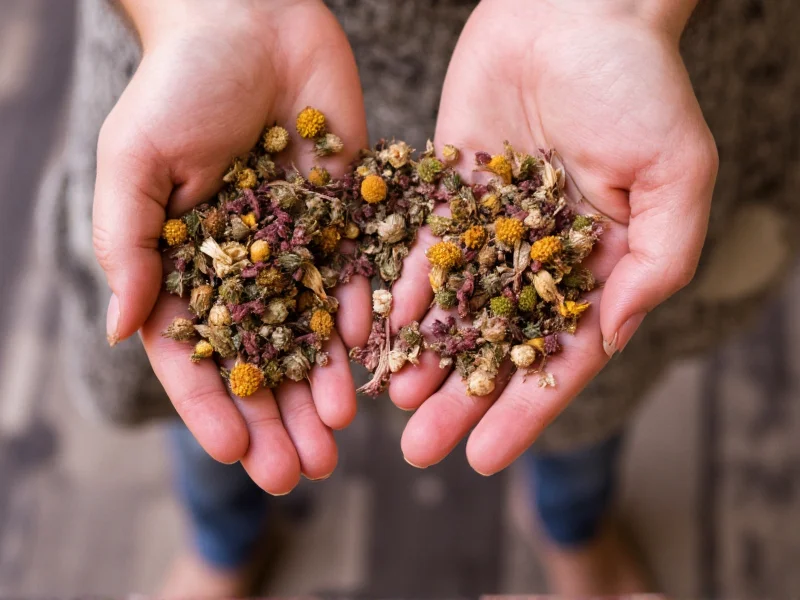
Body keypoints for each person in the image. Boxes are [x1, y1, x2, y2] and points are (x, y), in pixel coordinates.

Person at [52, 0, 800, 595]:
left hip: (580, 94)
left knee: (585, 372)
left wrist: (624, 12)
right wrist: (197, 13)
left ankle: (573, 529)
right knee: (223, 404)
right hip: (224, 85)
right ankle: (223, 544)